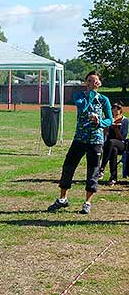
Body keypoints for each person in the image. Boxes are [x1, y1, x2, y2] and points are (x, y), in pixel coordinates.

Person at [48, 71, 113, 214]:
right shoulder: (79, 96)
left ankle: (87, 202)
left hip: (95, 140)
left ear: (100, 84)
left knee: (93, 170)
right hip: (80, 139)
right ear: (86, 82)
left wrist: (100, 122)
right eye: (89, 80)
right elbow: (83, 108)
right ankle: (63, 199)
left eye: (95, 81)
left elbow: (110, 119)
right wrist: (91, 93)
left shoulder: (104, 100)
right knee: (68, 166)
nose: (92, 83)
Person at [98, 103, 128, 186]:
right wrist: (105, 129)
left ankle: (102, 167)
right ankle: (113, 178)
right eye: (114, 107)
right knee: (113, 150)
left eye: (118, 108)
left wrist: (116, 129)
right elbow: (104, 136)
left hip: (121, 144)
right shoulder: (108, 119)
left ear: (121, 110)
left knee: (111, 142)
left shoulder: (124, 120)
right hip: (109, 146)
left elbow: (122, 138)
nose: (115, 109)